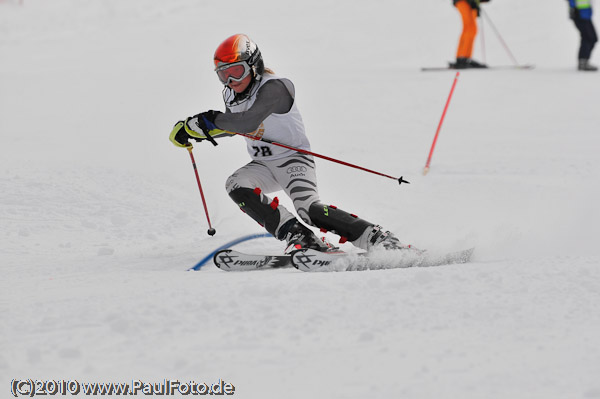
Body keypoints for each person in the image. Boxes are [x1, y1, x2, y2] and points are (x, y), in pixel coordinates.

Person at [169, 34, 411, 254]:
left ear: (254, 65)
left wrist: (207, 122)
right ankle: (301, 238)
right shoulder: (232, 94)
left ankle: (378, 238)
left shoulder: (276, 87)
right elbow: (233, 127)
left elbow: (247, 122)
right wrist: (194, 132)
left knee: (309, 210)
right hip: (263, 164)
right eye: (223, 74)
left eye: (237, 71)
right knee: (235, 184)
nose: (231, 80)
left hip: (293, 160)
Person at [450, 0, 490, 69]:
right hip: (463, 1)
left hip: (467, 3)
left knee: (470, 29)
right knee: (470, 28)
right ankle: (463, 57)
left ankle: (463, 57)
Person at [567, 0, 598, 71]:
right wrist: (572, 8)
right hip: (579, 14)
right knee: (587, 37)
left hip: (586, 14)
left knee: (593, 38)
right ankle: (583, 62)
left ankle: (584, 60)